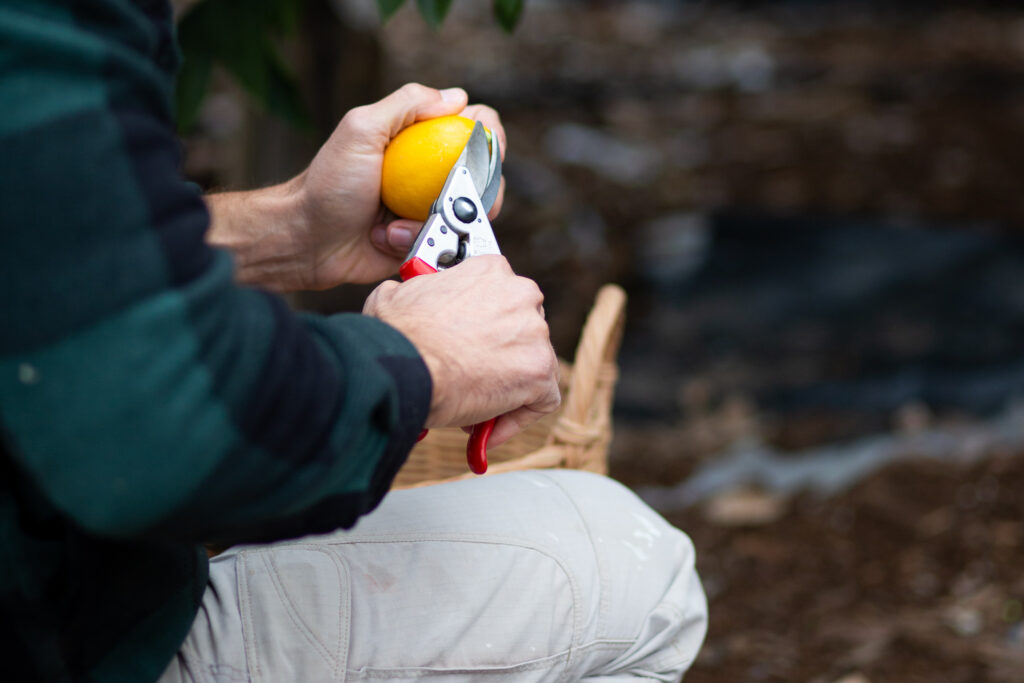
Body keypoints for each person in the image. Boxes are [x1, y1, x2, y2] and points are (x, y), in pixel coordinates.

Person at [0, 1, 708, 681]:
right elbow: (171, 432)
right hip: (82, 645)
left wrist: (285, 230)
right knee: (639, 567)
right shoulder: (53, 23)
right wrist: (422, 361)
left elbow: (43, 253)